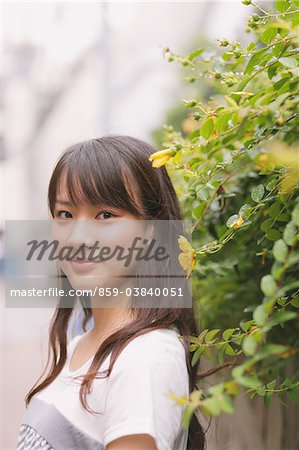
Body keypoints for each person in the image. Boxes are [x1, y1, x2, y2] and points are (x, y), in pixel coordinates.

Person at [16, 135, 206, 450]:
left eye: (105, 214)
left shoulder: (145, 357)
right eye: (65, 214)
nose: (77, 238)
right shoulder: (82, 345)